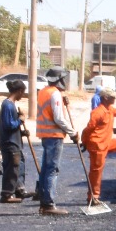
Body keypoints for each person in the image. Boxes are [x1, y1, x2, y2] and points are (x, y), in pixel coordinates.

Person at [34, 69, 78, 215]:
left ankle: (43, 201)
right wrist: (72, 133)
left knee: (46, 168)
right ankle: (48, 204)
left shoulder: (43, 91)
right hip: (54, 135)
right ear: (59, 80)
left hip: (45, 135)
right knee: (52, 169)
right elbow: (58, 118)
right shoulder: (55, 93)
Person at [0, 79, 30, 203]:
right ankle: (7, 194)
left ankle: (18, 190)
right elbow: (8, 125)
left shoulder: (11, 105)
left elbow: (12, 128)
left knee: (17, 166)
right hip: (9, 143)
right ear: (19, 91)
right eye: (23, 93)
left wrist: (21, 133)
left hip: (14, 141)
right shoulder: (7, 105)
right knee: (11, 168)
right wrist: (20, 120)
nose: (23, 95)